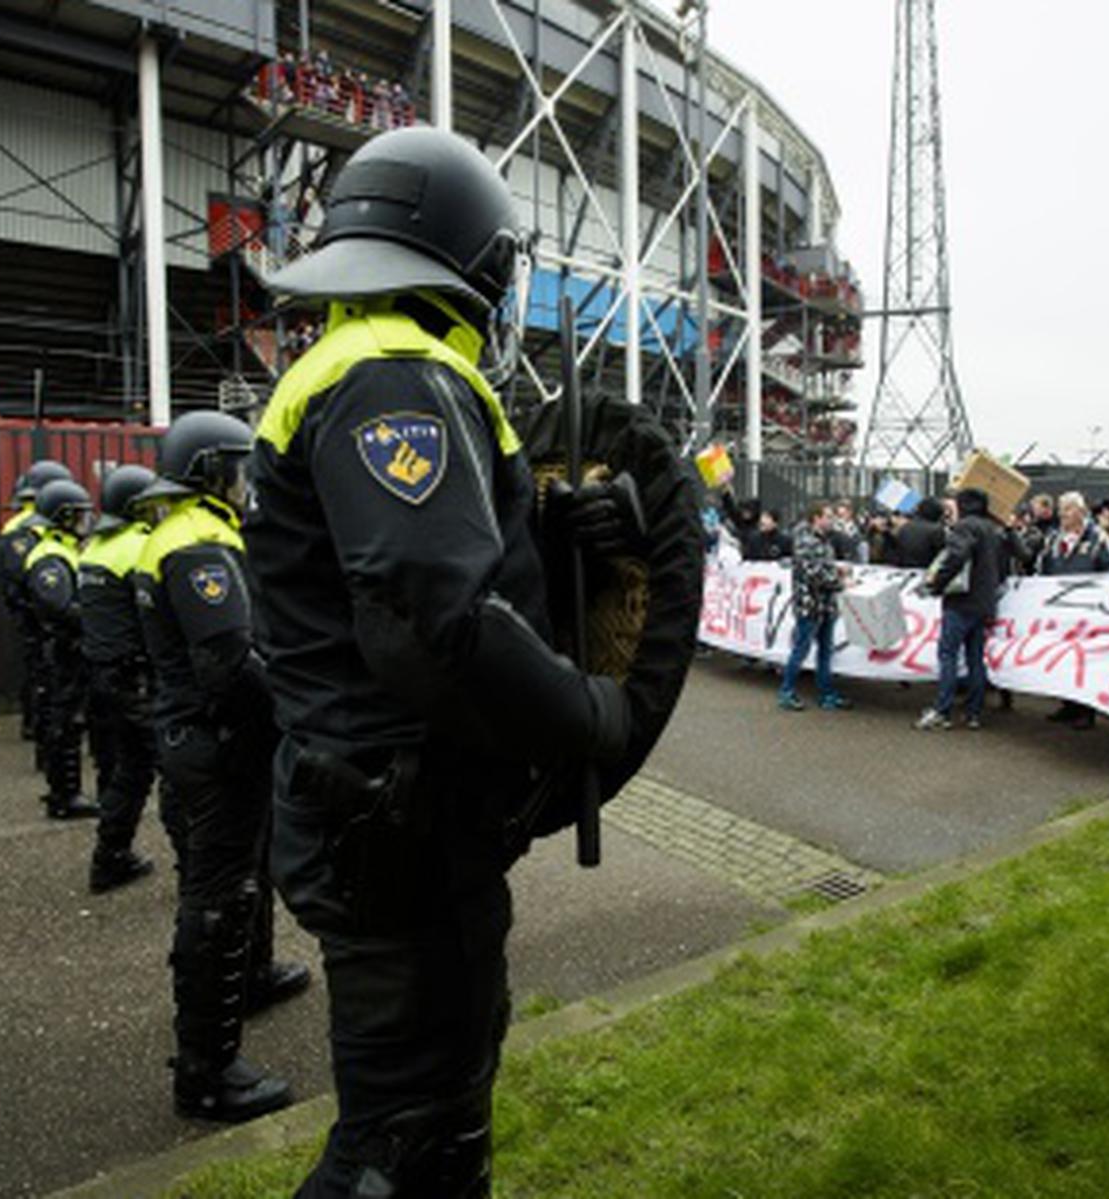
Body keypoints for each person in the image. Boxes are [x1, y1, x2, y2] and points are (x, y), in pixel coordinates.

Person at [245, 126, 641, 1195]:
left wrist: (558, 537)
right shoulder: (396, 376)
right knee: (412, 1139)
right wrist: (587, 713)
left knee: (423, 1112)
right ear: (481, 268)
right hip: (398, 822)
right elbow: (434, 619)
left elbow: (400, 576)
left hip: (381, 807)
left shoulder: (345, 362)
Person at [135, 411, 312, 1123]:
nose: (247, 485)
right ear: (211, 471)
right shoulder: (198, 542)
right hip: (218, 745)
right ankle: (206, 1071)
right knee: (218, 900)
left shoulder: (180, 533)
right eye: (238, 470)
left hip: (206, 742)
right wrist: (299, 711)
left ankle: (246, 989)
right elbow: (228, 663)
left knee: (233, 887)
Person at [78, 464, 160, 892]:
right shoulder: (141, 547)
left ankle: (109, 858)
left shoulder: (94, 548)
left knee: (130, 772)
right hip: (140, 681)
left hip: (106, 679)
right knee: (183, 782)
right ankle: (199, 876)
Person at [23, 480, 100, 820]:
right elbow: (58, 606)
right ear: (64, 516)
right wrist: (94, 619)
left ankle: (67, 793)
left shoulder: (65, 549)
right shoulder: (50, 556)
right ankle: (64, 795)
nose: (87, 521)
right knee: (64, 723)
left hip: (71, 649)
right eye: (80, 515)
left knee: (70, 721)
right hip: (62, 651)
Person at [0, 460, 73, 751]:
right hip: (38, 609)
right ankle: (38, 724)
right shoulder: (27, 526)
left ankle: (36, 721)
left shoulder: (16, 523)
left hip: (27, 608)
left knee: (36, 667)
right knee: (43, 669)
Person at [917, 487, 1004, 731]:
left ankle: (942, 710)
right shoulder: (991, 529)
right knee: (975, 658)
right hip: (983, 602)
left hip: (961, 602)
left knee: (948, 655)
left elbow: (955, 556)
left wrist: (935, 583)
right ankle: (973, 712)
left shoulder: (964, 527)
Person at [1036, 492, 1109, 729]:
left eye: (1069, 509)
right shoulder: (1053, 539)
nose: (1063, 514)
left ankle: (1086, 710)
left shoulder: (1098, 539)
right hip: (1061, 613)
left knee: (1086, 662)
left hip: (1087, 612)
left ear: (1082, 512)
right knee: (1063, 660)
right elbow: (1043, 568)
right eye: (1061, 509)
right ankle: (1068, 704)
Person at [777, 503, 851, 712]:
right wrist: (840, 581)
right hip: (810, 605)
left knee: (825, 651)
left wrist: (836, 570)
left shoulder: (821, 540)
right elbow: (814, 573)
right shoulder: (806, 542)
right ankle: (786, 691)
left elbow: (820, 568)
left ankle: (826, 693)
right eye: (828, 516)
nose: (832, 520)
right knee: (802, 649)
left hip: (824, 604)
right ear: (816, 518)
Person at [894, 497, 946, 570]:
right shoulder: (936, 530)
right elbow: (941, 555)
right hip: (926, 570)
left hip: (905, 570)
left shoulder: (905, 527)